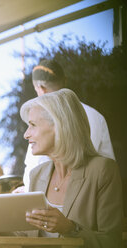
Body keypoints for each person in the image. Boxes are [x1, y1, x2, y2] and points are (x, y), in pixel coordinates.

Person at [0, 89, 123, 248]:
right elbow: (30, 235)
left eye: (32, 125)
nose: (26, 134)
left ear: (59, 126)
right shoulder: (37, 174)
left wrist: (70, 228)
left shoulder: (102, 171)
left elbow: (112, 242)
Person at [23, 59, 115, 191]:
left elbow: (35, 166)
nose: (27, 134)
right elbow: (109, 167)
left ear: (41, 89)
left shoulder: (43, 121)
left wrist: (27, 190)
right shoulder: (96, 116)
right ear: (64, 81)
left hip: (55, 197)